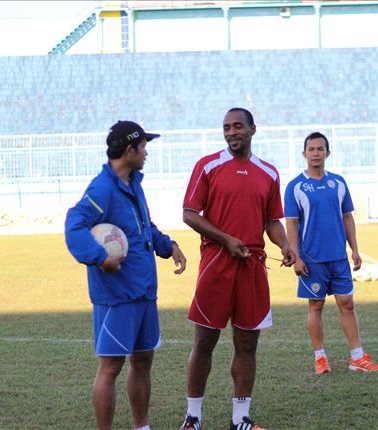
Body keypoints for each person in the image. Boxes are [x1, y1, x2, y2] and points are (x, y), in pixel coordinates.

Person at [65, 120, 187, 430]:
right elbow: (74, 225)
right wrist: (99, 258)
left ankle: (141, 427)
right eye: (143, 146)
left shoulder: (134, 183)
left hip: (144, 291)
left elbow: (142, 226)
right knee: (110, 367)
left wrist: (166, 245)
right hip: (117, 296)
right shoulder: (102, 188)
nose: (146, 152)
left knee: (144, 361)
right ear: (129, 149)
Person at [179, 107, 296, 430]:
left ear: (252, 130)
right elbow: (189, 213)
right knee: (205, 341)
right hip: (216, 264)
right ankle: (193, 416)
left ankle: (240, 418)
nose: (232, 133)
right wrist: (226, 239)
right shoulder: (208, 166)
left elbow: (272, 220)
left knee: (247, 344)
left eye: (238, 127)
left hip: (252, 267)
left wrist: (284, 244)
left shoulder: (268, 172)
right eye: (226, 128)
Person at [284, 132, 378, 374]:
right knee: (315, 306)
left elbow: (347, 217)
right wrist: (296, 257)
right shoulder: (295, 186)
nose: (316, 153)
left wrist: (355, 249)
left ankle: (357, 358)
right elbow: (292, 224)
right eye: (311, 149)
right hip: (312, 259)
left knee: (347, 304)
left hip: (338, 258)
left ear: (327, 153)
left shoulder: (338, 183)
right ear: (304, 154)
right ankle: (320, 358)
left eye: (320, 149)